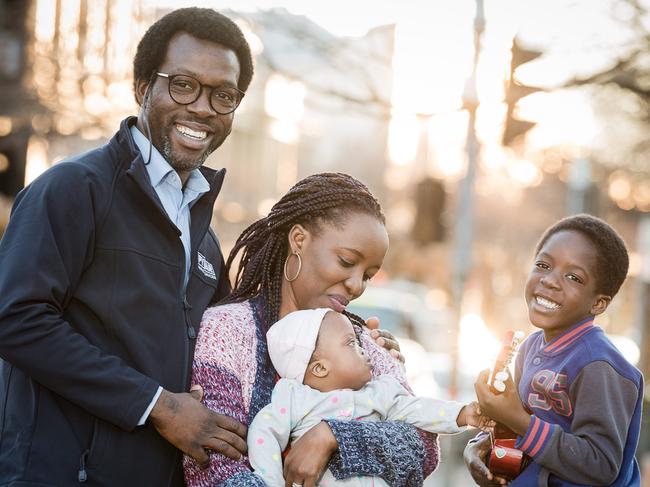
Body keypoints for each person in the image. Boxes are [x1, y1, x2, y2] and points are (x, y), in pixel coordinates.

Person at [0, 8, 256, 485]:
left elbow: (227, 346)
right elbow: (15, 319)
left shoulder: (206, 236)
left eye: (223, 95)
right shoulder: (73, 188)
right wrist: (156, 405)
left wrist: (345, 346)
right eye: (183, 84)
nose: (202, 108)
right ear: (143, 86)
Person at [184, 172, 442, 487]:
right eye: (347, 262)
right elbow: (213, 466)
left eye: (368, 275)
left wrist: (333, 436)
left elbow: (424, 447)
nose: (356, 285)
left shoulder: (364, 345)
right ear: (299, 240)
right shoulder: (227, 330)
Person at [465, 214, 644, 486]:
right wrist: (479, 447)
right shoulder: (530, 348)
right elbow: (515, 426)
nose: (549, 280)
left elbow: (601, 466)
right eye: (543, 265)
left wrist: (519, 421)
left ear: (598, 303)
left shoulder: (599, 366)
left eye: (573, 277)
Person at [249, 307, 490, 486]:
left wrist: (462, 414)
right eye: (351, 343)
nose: (363, 349)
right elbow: (264, 431)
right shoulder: (295, 398)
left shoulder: (379, 391)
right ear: (320, 368)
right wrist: (271, 482)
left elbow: (416, 408)